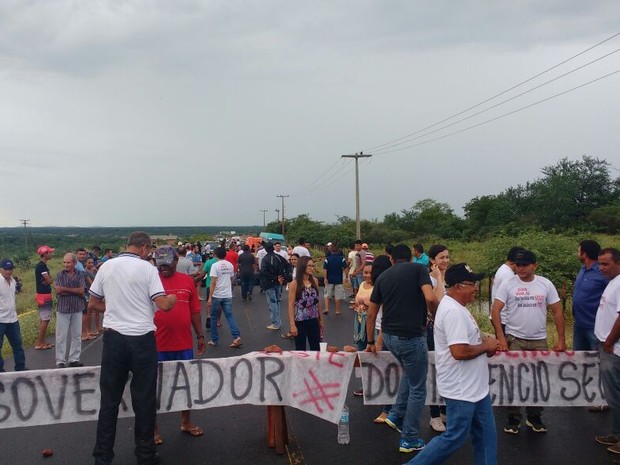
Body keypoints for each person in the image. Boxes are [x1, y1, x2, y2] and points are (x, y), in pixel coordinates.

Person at [88, 231, 177, 465]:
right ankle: (145, 455)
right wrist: (173, 299)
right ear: (145, 248)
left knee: (109, 401)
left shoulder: (106, 267)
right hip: (141, 339)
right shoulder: (148, 269)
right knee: (144, 400)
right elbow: (163, 305)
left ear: (128, 245)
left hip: (114, 339)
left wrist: (114, 308)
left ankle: (103, 457)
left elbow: (93, 302)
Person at [406, 263, 499, 465]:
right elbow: (458, 352)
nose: (476, 288)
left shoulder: (458, 307)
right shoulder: (453, 312)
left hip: (476, 388)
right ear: (457, 286)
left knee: (486, 435)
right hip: (462, 389)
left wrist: (485, 345)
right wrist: (485, 346)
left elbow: (466, 344)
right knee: (454, 437)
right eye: (471, 283)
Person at [366, 244, 439, 453]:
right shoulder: (418, 270)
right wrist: (436, 314)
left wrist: (370, 342)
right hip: (411, 337)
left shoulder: (383, 277)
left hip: (389, 337)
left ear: (391, 259)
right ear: (411, 258)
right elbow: (430, 297)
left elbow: (372, 314)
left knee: (410, 372)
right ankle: (409, 438)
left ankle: (396, 414)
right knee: (418, 388)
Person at [491, 249, 566, 434]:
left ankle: (534, 417)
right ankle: (513, 418)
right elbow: (495, 310)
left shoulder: (545, 284)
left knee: (537, 381)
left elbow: (557, 311)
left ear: (535, 265)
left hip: (539, 340)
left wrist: (562, 339)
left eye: (525, 265)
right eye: (517, 265)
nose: (520, 268)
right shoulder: (508, 284)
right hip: (515, 339)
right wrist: (501, 338)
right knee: (513, 380)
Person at [152, 245, 206, 445]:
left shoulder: (187, 281)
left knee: (186, 384)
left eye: (168, 263)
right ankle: (153, 428)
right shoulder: (150, 280)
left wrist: (200, 336)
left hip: (183, 344)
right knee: (154, 389)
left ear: (176, 261)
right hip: (155, 345)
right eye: (160, 264)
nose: (164, 267)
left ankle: (186, 421)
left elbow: (194, 311)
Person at [593, 248, 620, 454]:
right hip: (609, 346)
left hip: (614, 349)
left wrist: (610, 341)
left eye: (605, 264)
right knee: (613, 395)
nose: (600, 268)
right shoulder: (613, 281)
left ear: (618, 263)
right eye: (600, 264)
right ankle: (615, 433)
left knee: (615, 396)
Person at [426, 244, 451, 433]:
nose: (445, 261)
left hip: (448, 330)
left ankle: (444, 410)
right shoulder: (430, 279)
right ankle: (434, 415)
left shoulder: (450, 276)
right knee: (433, 370)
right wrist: (440, 279)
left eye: (447, 257)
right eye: (441, 257)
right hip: (431, 329)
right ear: (432, 260)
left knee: (447, 369)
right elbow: (438, 303)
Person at [573, 240, 609, 350]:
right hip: (579, 324)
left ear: (584, 254)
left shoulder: (602, 272)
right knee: (579, 360)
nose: (577, 254)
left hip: (595, 327)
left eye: (578, 251)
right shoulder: (583, 269)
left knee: (598, 360)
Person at [54, 253, 86, 368]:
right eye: (64, 262)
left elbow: (82, 291)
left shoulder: (80, 275)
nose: (66, 264)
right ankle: (60, 361)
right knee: (61, 336)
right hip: (63, 309)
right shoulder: (59, 275)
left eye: (68, 262)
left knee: (77, 335)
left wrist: (64, 289)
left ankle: (74, 359)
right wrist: (74, 291)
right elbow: (58, 292)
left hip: (77, 308)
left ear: (74, 263)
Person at [207, 247, 242, 348]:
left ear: (215, 255)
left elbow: (213, 282)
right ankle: (236, 336)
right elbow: (231, 279)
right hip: (227, 294)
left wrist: (210, 297)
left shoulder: (215, 266)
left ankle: (214, 339)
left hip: (217, 294)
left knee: (213, 317)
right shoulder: (230, 265)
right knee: (229, 316)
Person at [288, 256, 323, 351]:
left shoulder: (315, 281)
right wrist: (292, 325)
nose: (312, 268)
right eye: (309, 266)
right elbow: (291, 305)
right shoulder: (295, 284)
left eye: (313, 266)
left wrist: (321, 320)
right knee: (300, 350)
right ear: (303, 266)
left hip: (314, 320)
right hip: (300, 321)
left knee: (316, 349)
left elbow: (317, 302)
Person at [0, 259, 27, 372]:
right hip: (0, 319)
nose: (8, 271)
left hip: (12, 318)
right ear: (0, 269)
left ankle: (20, 367)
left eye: (10, 269)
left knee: (17, 344)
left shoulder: (13, 281)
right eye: (5, 269)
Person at [491, 246, 524, 325]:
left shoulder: (503, 269)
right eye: (520, 264)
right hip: (503, 319)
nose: (522, 267)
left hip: (500, 317)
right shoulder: (508, 274)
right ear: (514, 262)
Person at [261, 242, 286, 330]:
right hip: (278, 283)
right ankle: (278, 322)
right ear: (273, 248)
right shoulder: (279, 257)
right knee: (277, 302)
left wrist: (275, 277)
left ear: (266, 249)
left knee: (272, 303)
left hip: (269, 283)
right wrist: (282, 277)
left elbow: (263, 271)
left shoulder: (265, 259)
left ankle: (276, 323)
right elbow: (287, 266)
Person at [34, 245, 55, 350]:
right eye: (50, 252)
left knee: (43, 319)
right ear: (45, 254)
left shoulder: (41, 265)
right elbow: (49, 281)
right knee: (45, 319)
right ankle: (40, 343)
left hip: (42, 294)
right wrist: (52, 278)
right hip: (44, 295)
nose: (52, 254)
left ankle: (42, 341)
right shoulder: (42, 266)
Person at [322, 243, 348, 315]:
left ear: (331, 251)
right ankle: (337, 310)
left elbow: (325, 269)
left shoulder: (327, 259)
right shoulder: (341, 259)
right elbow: (346, 268)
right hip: (338, 279)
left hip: (329, 279)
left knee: (327, 294)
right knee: (337, 295)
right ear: (338, 251)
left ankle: (327, 308)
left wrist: (325, 278)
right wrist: (346, 277)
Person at [82, 256, 100, 340]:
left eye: (92, 263)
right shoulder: (85, 272)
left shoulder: (93, 271)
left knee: (96, 311)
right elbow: (91, 283)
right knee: (88, 313)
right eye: (89, 263)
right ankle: (88, 330)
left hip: (94, 293)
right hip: (88, 294)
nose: (91, 264)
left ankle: (98, 327)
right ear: (85, 263)